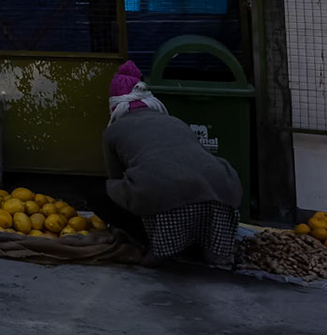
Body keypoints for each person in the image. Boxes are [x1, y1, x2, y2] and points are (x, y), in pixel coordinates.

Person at [102, 60, 242, 268]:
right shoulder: (175, 121)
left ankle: (158, 244)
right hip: (220, 191)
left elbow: (115, 177)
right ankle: (206, 244)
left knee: (104, 193)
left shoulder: (113, 131)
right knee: (179, 187)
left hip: (166, 197)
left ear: (114, 105)